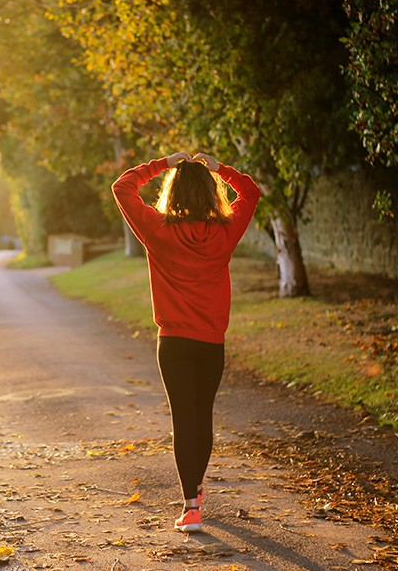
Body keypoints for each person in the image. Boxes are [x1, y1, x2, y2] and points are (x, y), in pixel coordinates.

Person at [111, 151, 261, 532]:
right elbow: (252, 191)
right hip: (211, 342)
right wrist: (220, 169)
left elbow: (123, 187)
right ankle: (194, 490)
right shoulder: (226, 232)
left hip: (173, 343)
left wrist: (163, 163)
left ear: (172, 193)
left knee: (183, 419)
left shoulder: (158, 230)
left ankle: (191, 505)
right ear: (212, 194)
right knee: (202, 417)